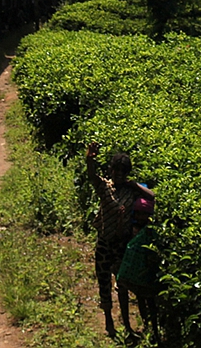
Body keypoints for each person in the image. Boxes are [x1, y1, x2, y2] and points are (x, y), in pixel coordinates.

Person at [86, 141, 155, 338]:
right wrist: (90, 159)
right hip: (105, 243)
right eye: (115, 171)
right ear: (110, 170)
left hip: (122, 244)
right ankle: (108, 318)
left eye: (122, 172)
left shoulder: (130, 190)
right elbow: (91, 175)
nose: (118, 175)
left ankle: (127, 324)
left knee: (123, 284)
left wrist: (133, 184)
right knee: (103, 281)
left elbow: (151, 197)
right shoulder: (104, 187)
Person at [116, 196, 161, 341]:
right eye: (139, 214)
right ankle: (147, 324)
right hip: (138, 272)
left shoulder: (150, 230)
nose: (141, 217)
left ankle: (154, 329)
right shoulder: (133, 228)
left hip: (147, 272)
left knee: (151, 301)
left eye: (144, 214)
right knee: (141, 298)